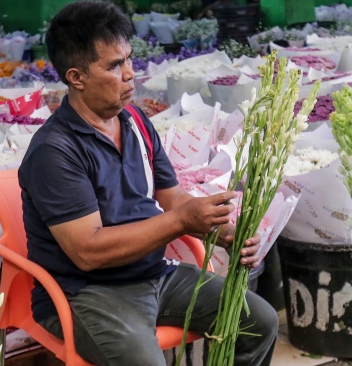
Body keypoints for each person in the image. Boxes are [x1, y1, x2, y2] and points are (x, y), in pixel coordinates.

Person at [18, 2, 278, 365]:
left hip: (154, 273)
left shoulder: (136, 122)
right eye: (113, 65)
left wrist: (221, 231)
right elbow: (87, 252)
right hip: (86, 292)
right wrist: (182, 222)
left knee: (258, 322)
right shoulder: (55, 151)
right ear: (76, 77)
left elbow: (172, 198)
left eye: (128, 59)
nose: (130, 74)